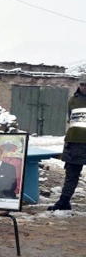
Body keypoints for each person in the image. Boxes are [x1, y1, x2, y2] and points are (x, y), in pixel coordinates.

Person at [48, 76, 86, 211]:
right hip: (74, 142)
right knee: (71, 175)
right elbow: (71, 119)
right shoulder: (73, 100)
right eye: (82, 84)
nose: (84, 87)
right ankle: (64, 202)